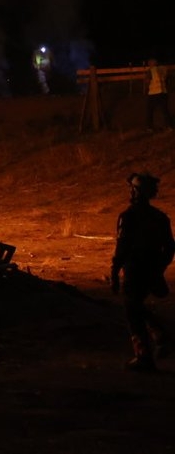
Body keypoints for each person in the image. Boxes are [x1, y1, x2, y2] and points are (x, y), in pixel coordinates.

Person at [111, 172, 175, 371]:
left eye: (133, 188)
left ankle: (144, 356)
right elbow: (170, 247)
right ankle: (160, 334)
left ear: (136, 191)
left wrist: (114, 272)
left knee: (132, 310)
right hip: (151, 270)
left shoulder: (128, 217)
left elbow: (122, 248)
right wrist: (159, 267)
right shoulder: (160, 218)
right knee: (135, 305)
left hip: (134, 270)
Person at [145, 59, 170, 130]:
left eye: (149, 63)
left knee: (150, 111)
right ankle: (169, 126)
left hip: (153, 93)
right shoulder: (164, 69)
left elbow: (147, 81)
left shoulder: (150, 71)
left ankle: (150, 127)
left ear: (151, 64)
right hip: (163, 92)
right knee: (165, 110)